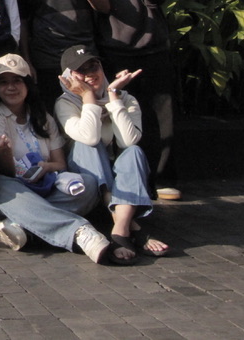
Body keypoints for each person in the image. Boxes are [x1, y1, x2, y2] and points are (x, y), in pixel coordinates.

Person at [0, 54, 118, 264]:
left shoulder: (44, 118)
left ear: (27, 84)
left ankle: (25, 226)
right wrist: (3, 152)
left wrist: (45, 167)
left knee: (89, 184)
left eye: (17, 80)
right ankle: (79, 231)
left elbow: (60, 164)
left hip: (46, 188)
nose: (11, 87)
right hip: (12, 194)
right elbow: (3, 174)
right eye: (4, 82)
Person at [87, 0, 180, 200]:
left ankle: (163, 178)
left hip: (152, 48)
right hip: (113, 52)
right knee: (119, 116)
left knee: (159, 115)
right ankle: (125, 179)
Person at [56, 45, 170, 263]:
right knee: (87, 145)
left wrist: (113, 98)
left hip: (120, 180)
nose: (90, 74)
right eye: (81, 70)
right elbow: (89, 137)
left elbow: (128, 140)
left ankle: (119, 229)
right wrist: (89, 97)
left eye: (93, 66)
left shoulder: (125, 99)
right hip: (85, 184)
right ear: (68, 77)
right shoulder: (65, 103)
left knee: (134, 152)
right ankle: (133, 227)